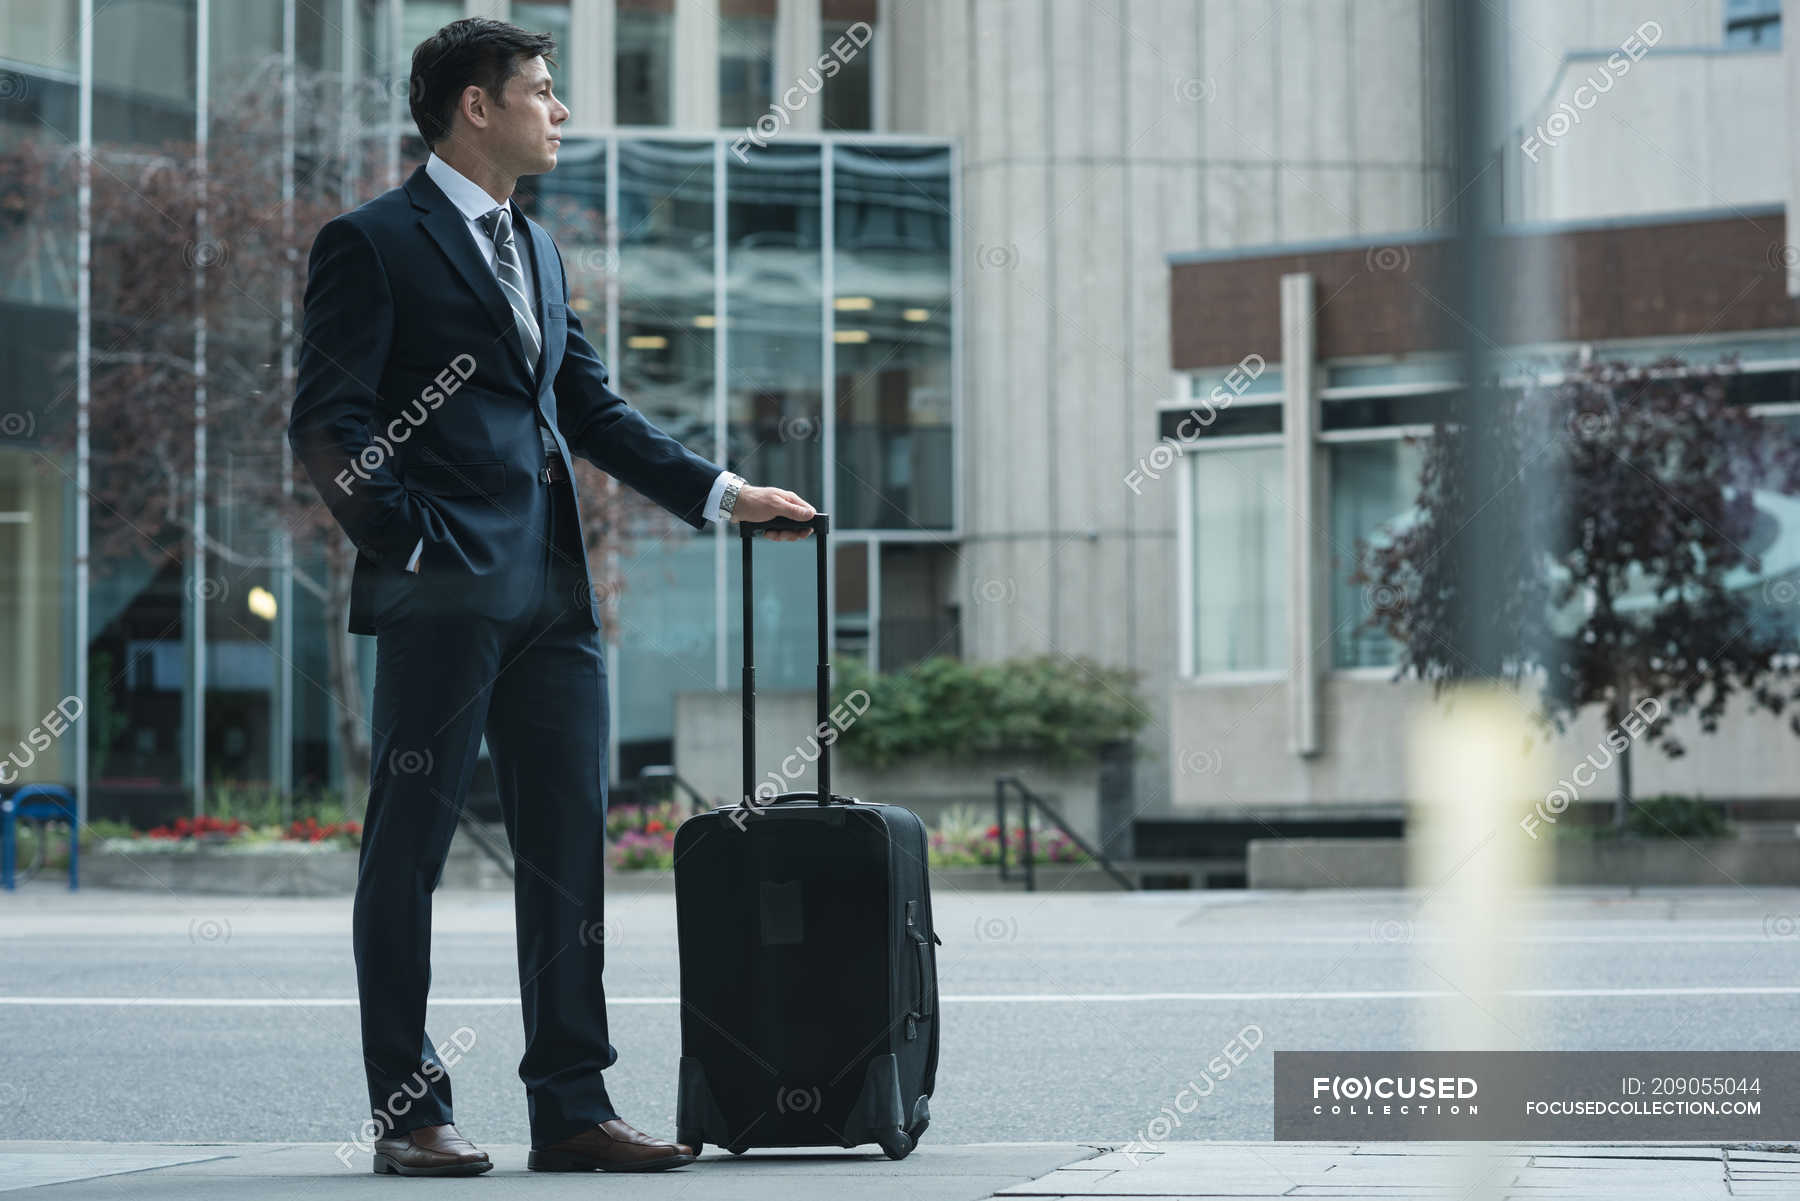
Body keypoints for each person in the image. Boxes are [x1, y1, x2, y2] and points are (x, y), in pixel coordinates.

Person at [287, 16, 815, 1177]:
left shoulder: (538, 246)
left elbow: (592, 411)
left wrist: (726, 492)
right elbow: (329, 425)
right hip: (442, 600)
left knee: (570, 851)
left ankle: (571, 1105)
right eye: (540, 89)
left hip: (557, 602)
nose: (559, 109)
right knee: (409, 850)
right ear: (476, 106)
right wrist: (418, 549)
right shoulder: (372, 241)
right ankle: (410, 1109)